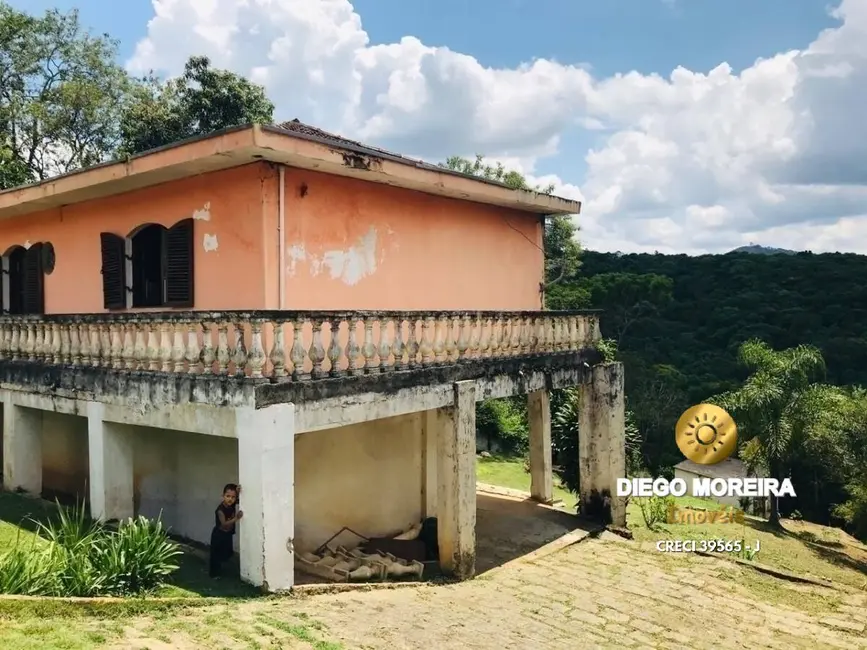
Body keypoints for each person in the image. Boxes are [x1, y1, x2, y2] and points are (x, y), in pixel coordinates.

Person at [209, 483, 243, 578]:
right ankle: (214, 574)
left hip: (228, 534)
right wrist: (236, 518)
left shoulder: (231, 504)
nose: (230, 499)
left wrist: (239, 492)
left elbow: (241, 500)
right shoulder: (220, 510)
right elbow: (223, 523)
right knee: (215, 555)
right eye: (228, 496)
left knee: (227, 553)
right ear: (223, 496)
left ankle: (222, 566)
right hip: (219, 535)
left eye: (233, 497)